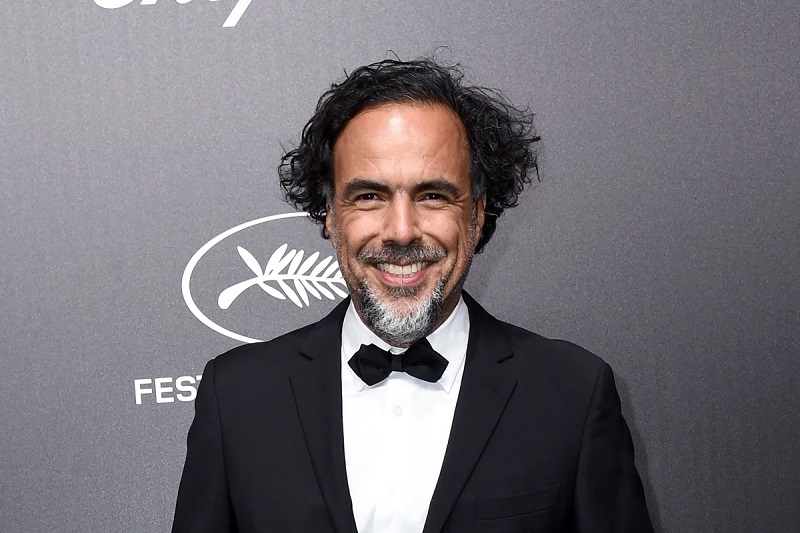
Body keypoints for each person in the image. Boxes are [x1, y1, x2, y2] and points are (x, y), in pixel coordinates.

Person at [172, 58, 653, 532]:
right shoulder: (235, 397)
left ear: (477, 213)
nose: (401, 231)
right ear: (330, 215)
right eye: (369, 196)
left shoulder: (573, 393)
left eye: (433, 196)